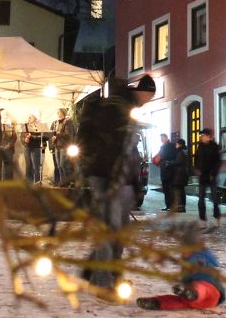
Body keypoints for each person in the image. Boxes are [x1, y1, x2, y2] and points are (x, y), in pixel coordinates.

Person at [77, 73, 156, 290]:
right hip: (109, 175)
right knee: (111, 228)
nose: (148, 100)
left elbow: (127, 149)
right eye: (149, 96)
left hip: (115, 175)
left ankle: (102, 273)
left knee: (117, 228)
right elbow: (117, 147)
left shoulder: (123, 106)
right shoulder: (118, 107)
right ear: (143, 92)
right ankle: (103, 281)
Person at [136, 233, 225, 311]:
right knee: (179, 301)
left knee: (201, 287)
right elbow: (186, 277)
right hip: (197, 303)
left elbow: (209, 260)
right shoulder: (186, 264)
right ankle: (157, 302)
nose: (181, 252)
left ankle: (192, 292)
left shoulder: (201, 256)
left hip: (210, 293)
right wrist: (182, 286)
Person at [194, 128, 222, 229]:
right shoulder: (200, 146)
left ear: (208, 136)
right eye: (201, 136)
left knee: (215, 198)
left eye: (203, 135)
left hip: (211, 176)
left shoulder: (215, 147)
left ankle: (217, 217)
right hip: (202, 176)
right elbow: (196, 158)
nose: (201, 137)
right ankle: (202, 220)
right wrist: (197, 168)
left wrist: (213, 173)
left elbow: (218, 162)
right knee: (201, 199)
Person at [50, 108, 74, 185]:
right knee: (59, 166)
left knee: (63, 165)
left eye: (59, 112)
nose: (57, 113)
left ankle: (67, 183)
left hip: (64, 146)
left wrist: (56, 134)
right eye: (57, 112)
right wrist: (53, 138)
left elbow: (68, 134)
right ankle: (62, 182)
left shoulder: (68, 121)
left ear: (63, 113)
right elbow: (53, 133)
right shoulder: (56, 122)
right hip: (57, 146)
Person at [157, 134, 177, 211]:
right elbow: (160, 156)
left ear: (166, 138)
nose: (161, 140)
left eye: (162, 138)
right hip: (163, 171)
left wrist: (168, 162)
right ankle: (168, 205)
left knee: (171, 189)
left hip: (170, 171)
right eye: (161, 139)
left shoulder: (172, 146)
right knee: (165, 190)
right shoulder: (162, 147)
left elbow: (174, 157)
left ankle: (172, 206)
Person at [23, 114, 45, 184]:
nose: (29, 118)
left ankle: (37, 183)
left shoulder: (39, 126)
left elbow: (44, 137)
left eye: (31, 117)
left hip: (36, 147)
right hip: (27, 147)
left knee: (36, 166)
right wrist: (24, 140)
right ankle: (29, 183)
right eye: (29, 117)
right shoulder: (26, 126)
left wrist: (32, 137)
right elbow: (21, 136)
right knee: (28, 166)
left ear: (35, 118)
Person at [171, 138, 190, 212]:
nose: (176, 145)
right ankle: (182, 206)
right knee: (181, 190)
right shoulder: (185, 151)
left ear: (180, 144)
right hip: (183, 173)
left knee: (178, 191)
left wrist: (171, 162)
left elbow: (178, 162)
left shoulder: (181, 152)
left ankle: (180, 207)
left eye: (177, 144)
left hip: (180, 174)